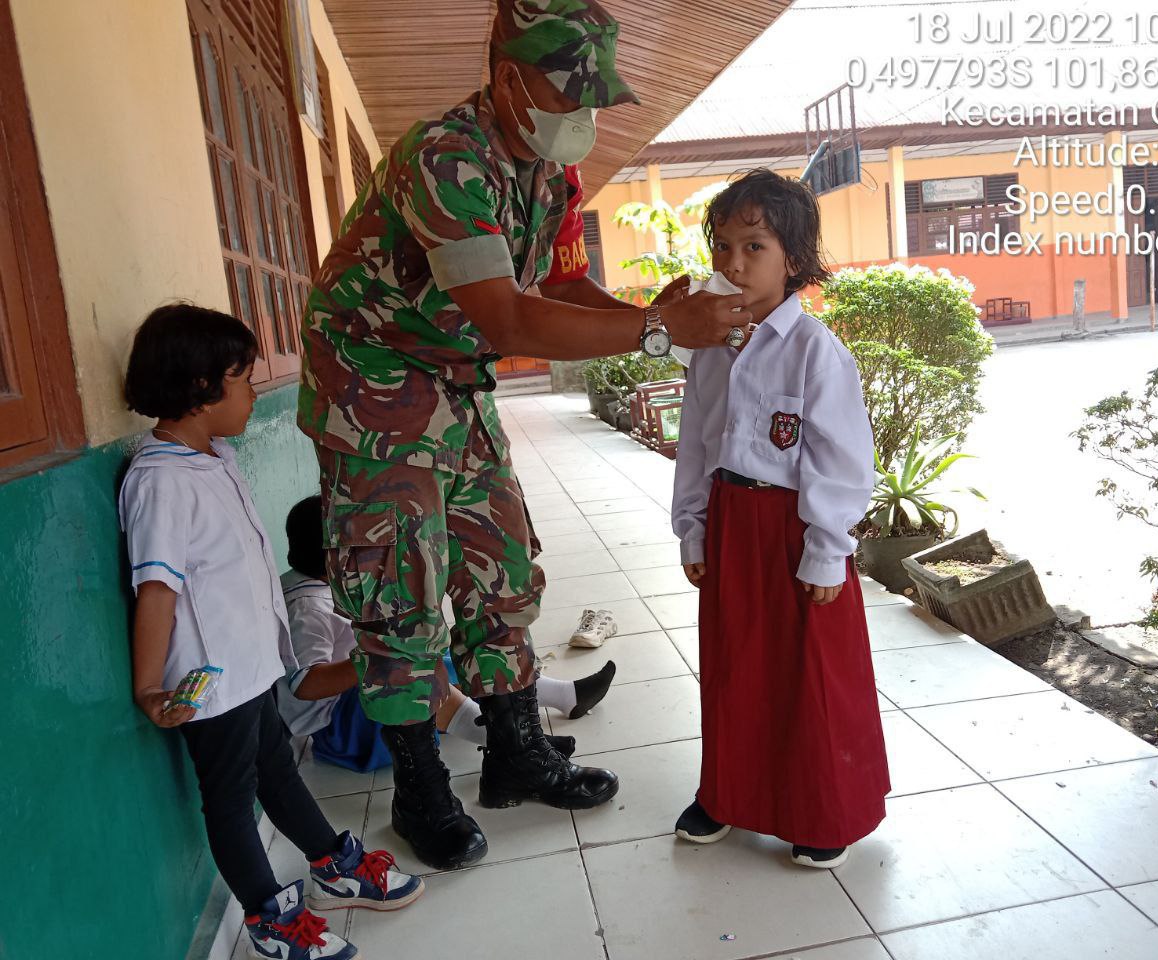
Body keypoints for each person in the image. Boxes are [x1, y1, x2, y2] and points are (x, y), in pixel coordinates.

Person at [298, 0, 751, 871]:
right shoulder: (444, 157)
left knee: (500, 561)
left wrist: (651, 317)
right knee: (400, 586)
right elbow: (507, 319)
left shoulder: (548, 173)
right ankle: (420, 789)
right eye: (567, 92)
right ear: (508, 80)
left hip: (452, 381)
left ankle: (515, 752)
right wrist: (660, 332)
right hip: (371, 384)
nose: (582, 115)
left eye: (594, 97)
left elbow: (563, 288)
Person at [120, 305, 422, 960]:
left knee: (277, 771)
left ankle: (332, 865)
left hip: (250, 665)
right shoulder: (160, 481)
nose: (254, 392)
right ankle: (269, 919)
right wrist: (147, 687)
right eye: (243, 379)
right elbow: (157, 589)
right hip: (210, 681)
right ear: (201, 388)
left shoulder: (213, 456)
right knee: (230, 802)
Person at [669, 170, 892, 869]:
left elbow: (842, 459)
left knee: (810, 673)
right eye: (722, 246)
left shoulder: (816, 351)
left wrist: (827, 549)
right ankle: (725, 794)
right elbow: (697, 442)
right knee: (733, 665)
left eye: (754, 247)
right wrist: (694, 527)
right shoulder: (711, 346)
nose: (733, 264)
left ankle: (823, 809)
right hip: (732, 525)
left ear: (792, 258)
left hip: (796, 531)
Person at [276, 495, 617, 769]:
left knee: (444, 656)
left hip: (356, 706)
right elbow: (305, 685)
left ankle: (564, 697)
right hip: (337, 729)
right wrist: (375, 658)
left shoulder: (317, 584)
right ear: (334, 559)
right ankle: (508, 743)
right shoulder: (306, 609)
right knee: (411, 672)